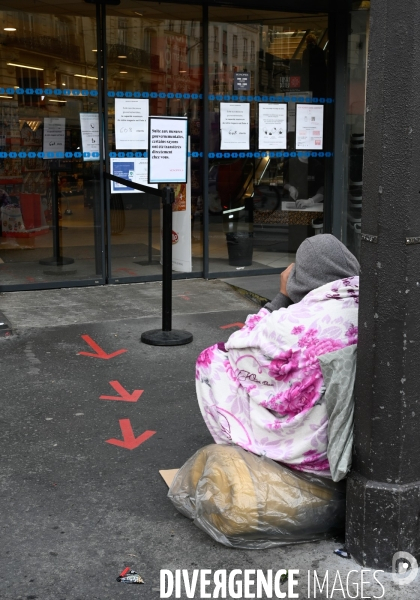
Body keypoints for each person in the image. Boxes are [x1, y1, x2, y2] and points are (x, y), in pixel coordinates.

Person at [196, 234, 359, 478]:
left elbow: (238, 346)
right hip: (348, 439)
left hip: (310, 455)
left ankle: (245, 452)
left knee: (211, 359)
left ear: (300, 276)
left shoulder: (290, 323)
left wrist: (283, 295)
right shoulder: (369, 305)